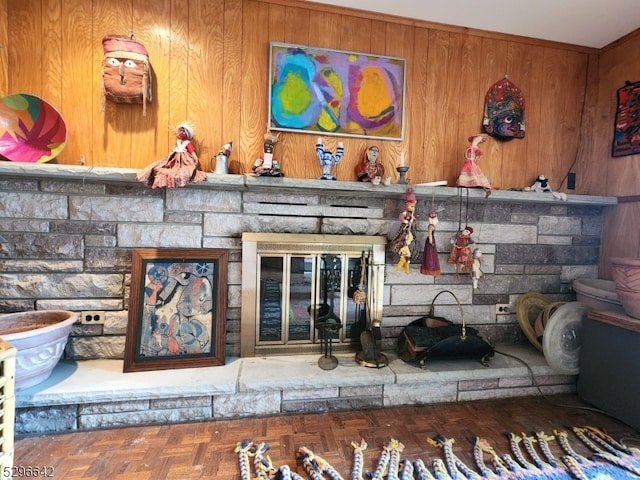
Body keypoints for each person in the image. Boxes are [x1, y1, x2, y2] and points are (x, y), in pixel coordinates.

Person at [137, 122, 206, 189]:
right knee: (164, 165)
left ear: (188, 133)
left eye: (183, 131)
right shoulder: (178, 142)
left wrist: (196, 159)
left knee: (184, 169)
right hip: (175, 157)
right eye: (180, 131)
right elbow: (174, 149)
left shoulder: (187, 143)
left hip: (184, 159)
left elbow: (192, 152)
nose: (181, 132)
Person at [420, 211, 441, 276]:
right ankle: (430, 269)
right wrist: (431, 243)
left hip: (431, 240)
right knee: (430, 255)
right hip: (430, 241)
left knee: (431, 255)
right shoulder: (431, 226)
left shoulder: (432, 225)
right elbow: (429, 234)